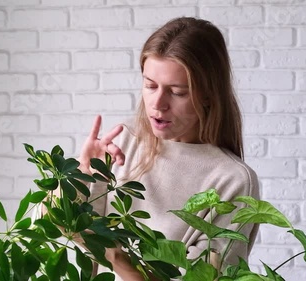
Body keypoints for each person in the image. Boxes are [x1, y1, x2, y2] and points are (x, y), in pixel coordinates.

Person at [77, 17, 259, 281]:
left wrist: (117, 258)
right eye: (150, 85)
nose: (158, 104)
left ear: (208, 94)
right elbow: (60, 224)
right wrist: (80, 174)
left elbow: (201, 277)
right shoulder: (124, 141)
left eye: (177, 92)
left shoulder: (233, 180)